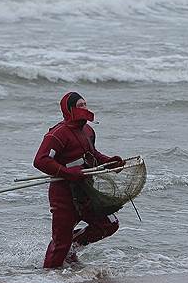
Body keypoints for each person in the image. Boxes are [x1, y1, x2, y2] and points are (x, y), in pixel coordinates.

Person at [33, 92, 125, 268]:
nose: (85, 108)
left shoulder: (88, 130)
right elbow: (40, 160)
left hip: (86, 192)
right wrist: (66, 172)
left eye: (85, 105)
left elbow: (92, 155)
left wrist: (108, 162)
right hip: (63, 195)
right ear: (69, 109)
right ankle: (47, 282)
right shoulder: (57, 134)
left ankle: (72, 248)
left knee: (108, 224)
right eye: (80, 106)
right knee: (60, 243)